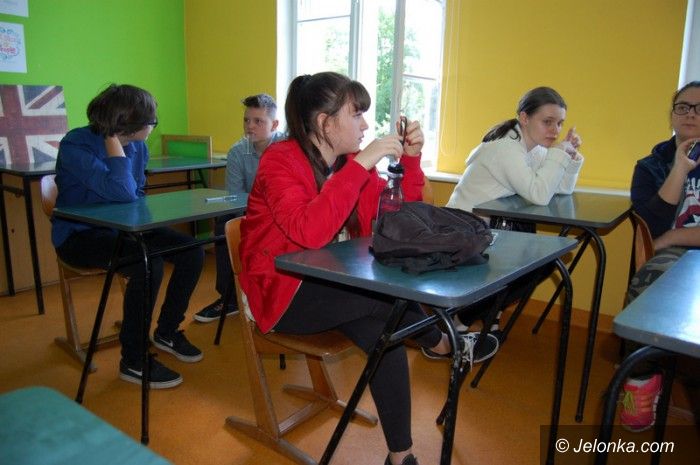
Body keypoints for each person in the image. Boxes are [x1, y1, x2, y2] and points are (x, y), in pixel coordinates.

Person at [238, 71, 482, 465]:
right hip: (280, 294)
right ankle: (442, 341)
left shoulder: (349, 164)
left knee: (386, 334)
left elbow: (397, 222)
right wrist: (365, 161)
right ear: (325, 122)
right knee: (383, 299)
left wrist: (411, 160)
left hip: (332, 287)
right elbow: (309, 231)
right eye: (356, 114)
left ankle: (400, 455)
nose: (366, 125)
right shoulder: (280, 160)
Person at [51, 84, 205, 389]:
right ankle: (133, 360)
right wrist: (112, 141)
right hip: (79, 236)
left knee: (192, 250)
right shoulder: (75, 145)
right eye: (151, 120)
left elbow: (135, 196)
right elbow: (122, 191)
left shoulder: (138, 146)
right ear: (127, 124)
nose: (153, 125)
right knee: (148, 264)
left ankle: (167, 331)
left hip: (124, 229)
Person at [446, 86, 584, 351]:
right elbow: (539, 194)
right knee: (535, 262)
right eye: (547, 122)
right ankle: (463, 316)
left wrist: (570, 159)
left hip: (488, 230)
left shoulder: (534, 151)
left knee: (544, 259)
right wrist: (558, 154)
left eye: (559, 123)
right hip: (462, 233)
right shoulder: (505, 149)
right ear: (524, 118)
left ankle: (479, 312)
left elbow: (560, 189)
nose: (555, 130)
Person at [622, 80, 700, 431]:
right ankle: (641, 378)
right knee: (650, 279)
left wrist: (675, 235)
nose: (690, 114)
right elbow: (651, 227)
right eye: (683, 107)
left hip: (679, 245)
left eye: (699, 108)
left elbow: (663, 235)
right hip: (671, 257)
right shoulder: (651, 165)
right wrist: (679, 169)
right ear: (671, 115)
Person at [194, 93, 285, 323]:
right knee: (224, 225)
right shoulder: (237, 151)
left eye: (258, 121)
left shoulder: (287, 147)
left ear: (274, 125)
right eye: (246, 120)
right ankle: (229, 297)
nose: (250, 126)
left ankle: (273, 295)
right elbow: (235, 197)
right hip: (252, 212)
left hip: (283, 214)